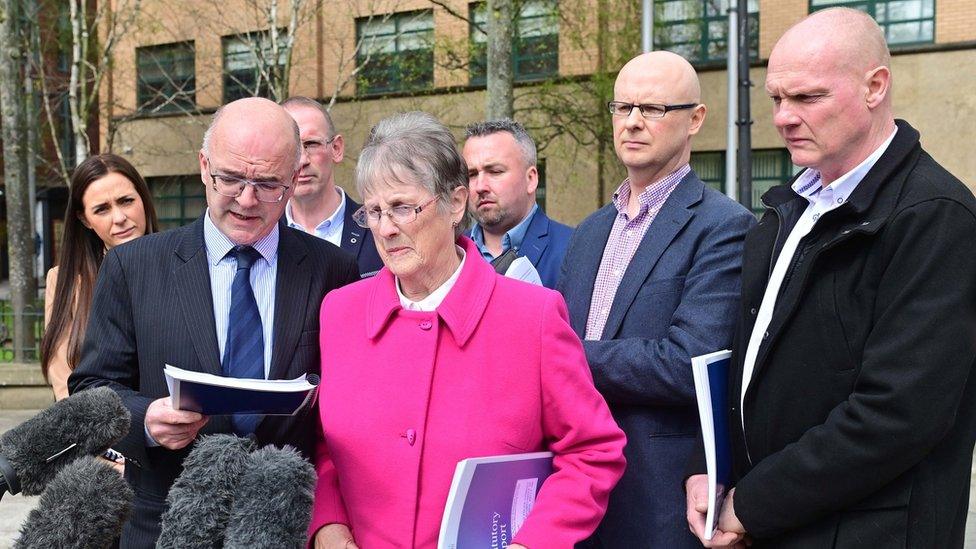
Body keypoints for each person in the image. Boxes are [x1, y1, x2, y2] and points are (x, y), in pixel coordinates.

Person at [685, 8, 976, 548]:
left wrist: (751, 505)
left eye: (807, 98)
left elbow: (898, 415)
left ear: (875, 86)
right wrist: (713, 469)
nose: (783, 117)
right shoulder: (788, 209)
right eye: (776, 98)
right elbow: (752, 370)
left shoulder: (935, 216)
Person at [309, 112, 627, 549]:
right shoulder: (339, 313)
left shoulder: (531, 316)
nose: (385, 228)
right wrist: (327, 527)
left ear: (455, 203)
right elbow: (326, 446)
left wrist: (532, 543)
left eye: (403, 207)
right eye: (375, 211)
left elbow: (593, 453)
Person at [68, 97, 360, 548]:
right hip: (165, 525)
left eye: (268, 184)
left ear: (292, 177)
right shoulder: (134, 267)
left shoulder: (331, 271)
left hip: (283, 527)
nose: (247, 200)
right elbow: (92, 389)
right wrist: (147, 419)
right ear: (204, 166)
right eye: (231, 179)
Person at [556, 51, 755, 548]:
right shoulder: (589, 233)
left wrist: (561, 357)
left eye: (654, 109)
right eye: (623, 108)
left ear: (696, 119)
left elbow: (689, 363)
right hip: (571, 488)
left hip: (656, 496)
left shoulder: (724, 228)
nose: (633, 123)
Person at [41, 154, 159, 401]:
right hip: (100, 432)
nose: (119, 218)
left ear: (143, 200)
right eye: (102, 209)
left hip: (183, 430)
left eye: (126, 201)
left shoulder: (182, 266)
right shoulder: (66, 281)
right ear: (85, 219)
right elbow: (65, 387)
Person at [462, 119, 573, 288]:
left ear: (531, 179)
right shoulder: (451, 250)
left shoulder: (573, 249)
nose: (480, 187)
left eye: (495, 172)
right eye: (471, 174)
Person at [281, 95, 383, 277]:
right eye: (290, 147)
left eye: (311, 144)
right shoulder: (263, 235)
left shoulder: (380, 227)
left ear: (336, 149)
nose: (302, 160)